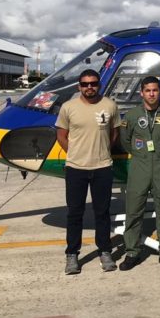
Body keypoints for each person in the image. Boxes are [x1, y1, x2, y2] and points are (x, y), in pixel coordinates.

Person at [55, 69, 121, 275]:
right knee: (75, 213)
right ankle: (72, 255)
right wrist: (76, 154)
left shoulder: (110, 105)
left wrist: (101, 152)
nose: (89, 87)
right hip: (76, 168)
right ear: (79, 87)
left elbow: (114, 133)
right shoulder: (68, 108)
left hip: (102, 167)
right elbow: (61, 136)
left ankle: (105, 251)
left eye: (93, 84)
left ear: (99, 85)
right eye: (85, 84)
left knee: (102, 213)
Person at [118, 76, 160, 270]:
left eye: (155, 90)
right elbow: (126, 141)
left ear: (159, 92)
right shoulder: (131, 116)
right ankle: (132, 252)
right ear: (142, 93)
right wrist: (141, 154)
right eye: (148, 91)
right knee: (134, 210)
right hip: (139, 166)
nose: (152, 94)